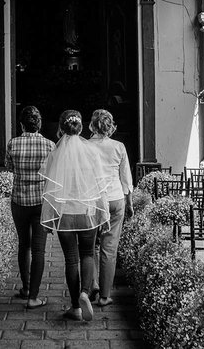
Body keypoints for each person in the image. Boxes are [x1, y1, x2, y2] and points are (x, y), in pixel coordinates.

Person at [40, 109, 110, 322]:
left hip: (65, 214)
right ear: (81, 127)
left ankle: (75, 307)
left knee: (71, 260)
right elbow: (100, 186)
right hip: (87, 212)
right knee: (87, 254)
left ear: (61, 128)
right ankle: (85, 293)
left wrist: (48, 217)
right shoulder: (91, 151)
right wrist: (104, 214)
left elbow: (49, 187)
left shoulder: (55, 153)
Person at [5, 105, 54, 309]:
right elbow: (53, 171)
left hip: (19, 200)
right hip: (41, 202)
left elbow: (9, 167)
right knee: (39, 250)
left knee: (23, 244)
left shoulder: (13, 144)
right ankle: (33, 296)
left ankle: (25, 287)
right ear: (39, 123)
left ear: (22, 124)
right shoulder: (50, 145)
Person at [87, 108, 133, 307]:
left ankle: (93, 285)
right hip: (115, 199)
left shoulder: (85, 146)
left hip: (92, 200)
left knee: (90, 247)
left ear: (92, 125)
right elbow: (126, 178)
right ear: (110, 125)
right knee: (109, 248)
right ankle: (105, 296)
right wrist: (129, 203)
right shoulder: (119, 147)